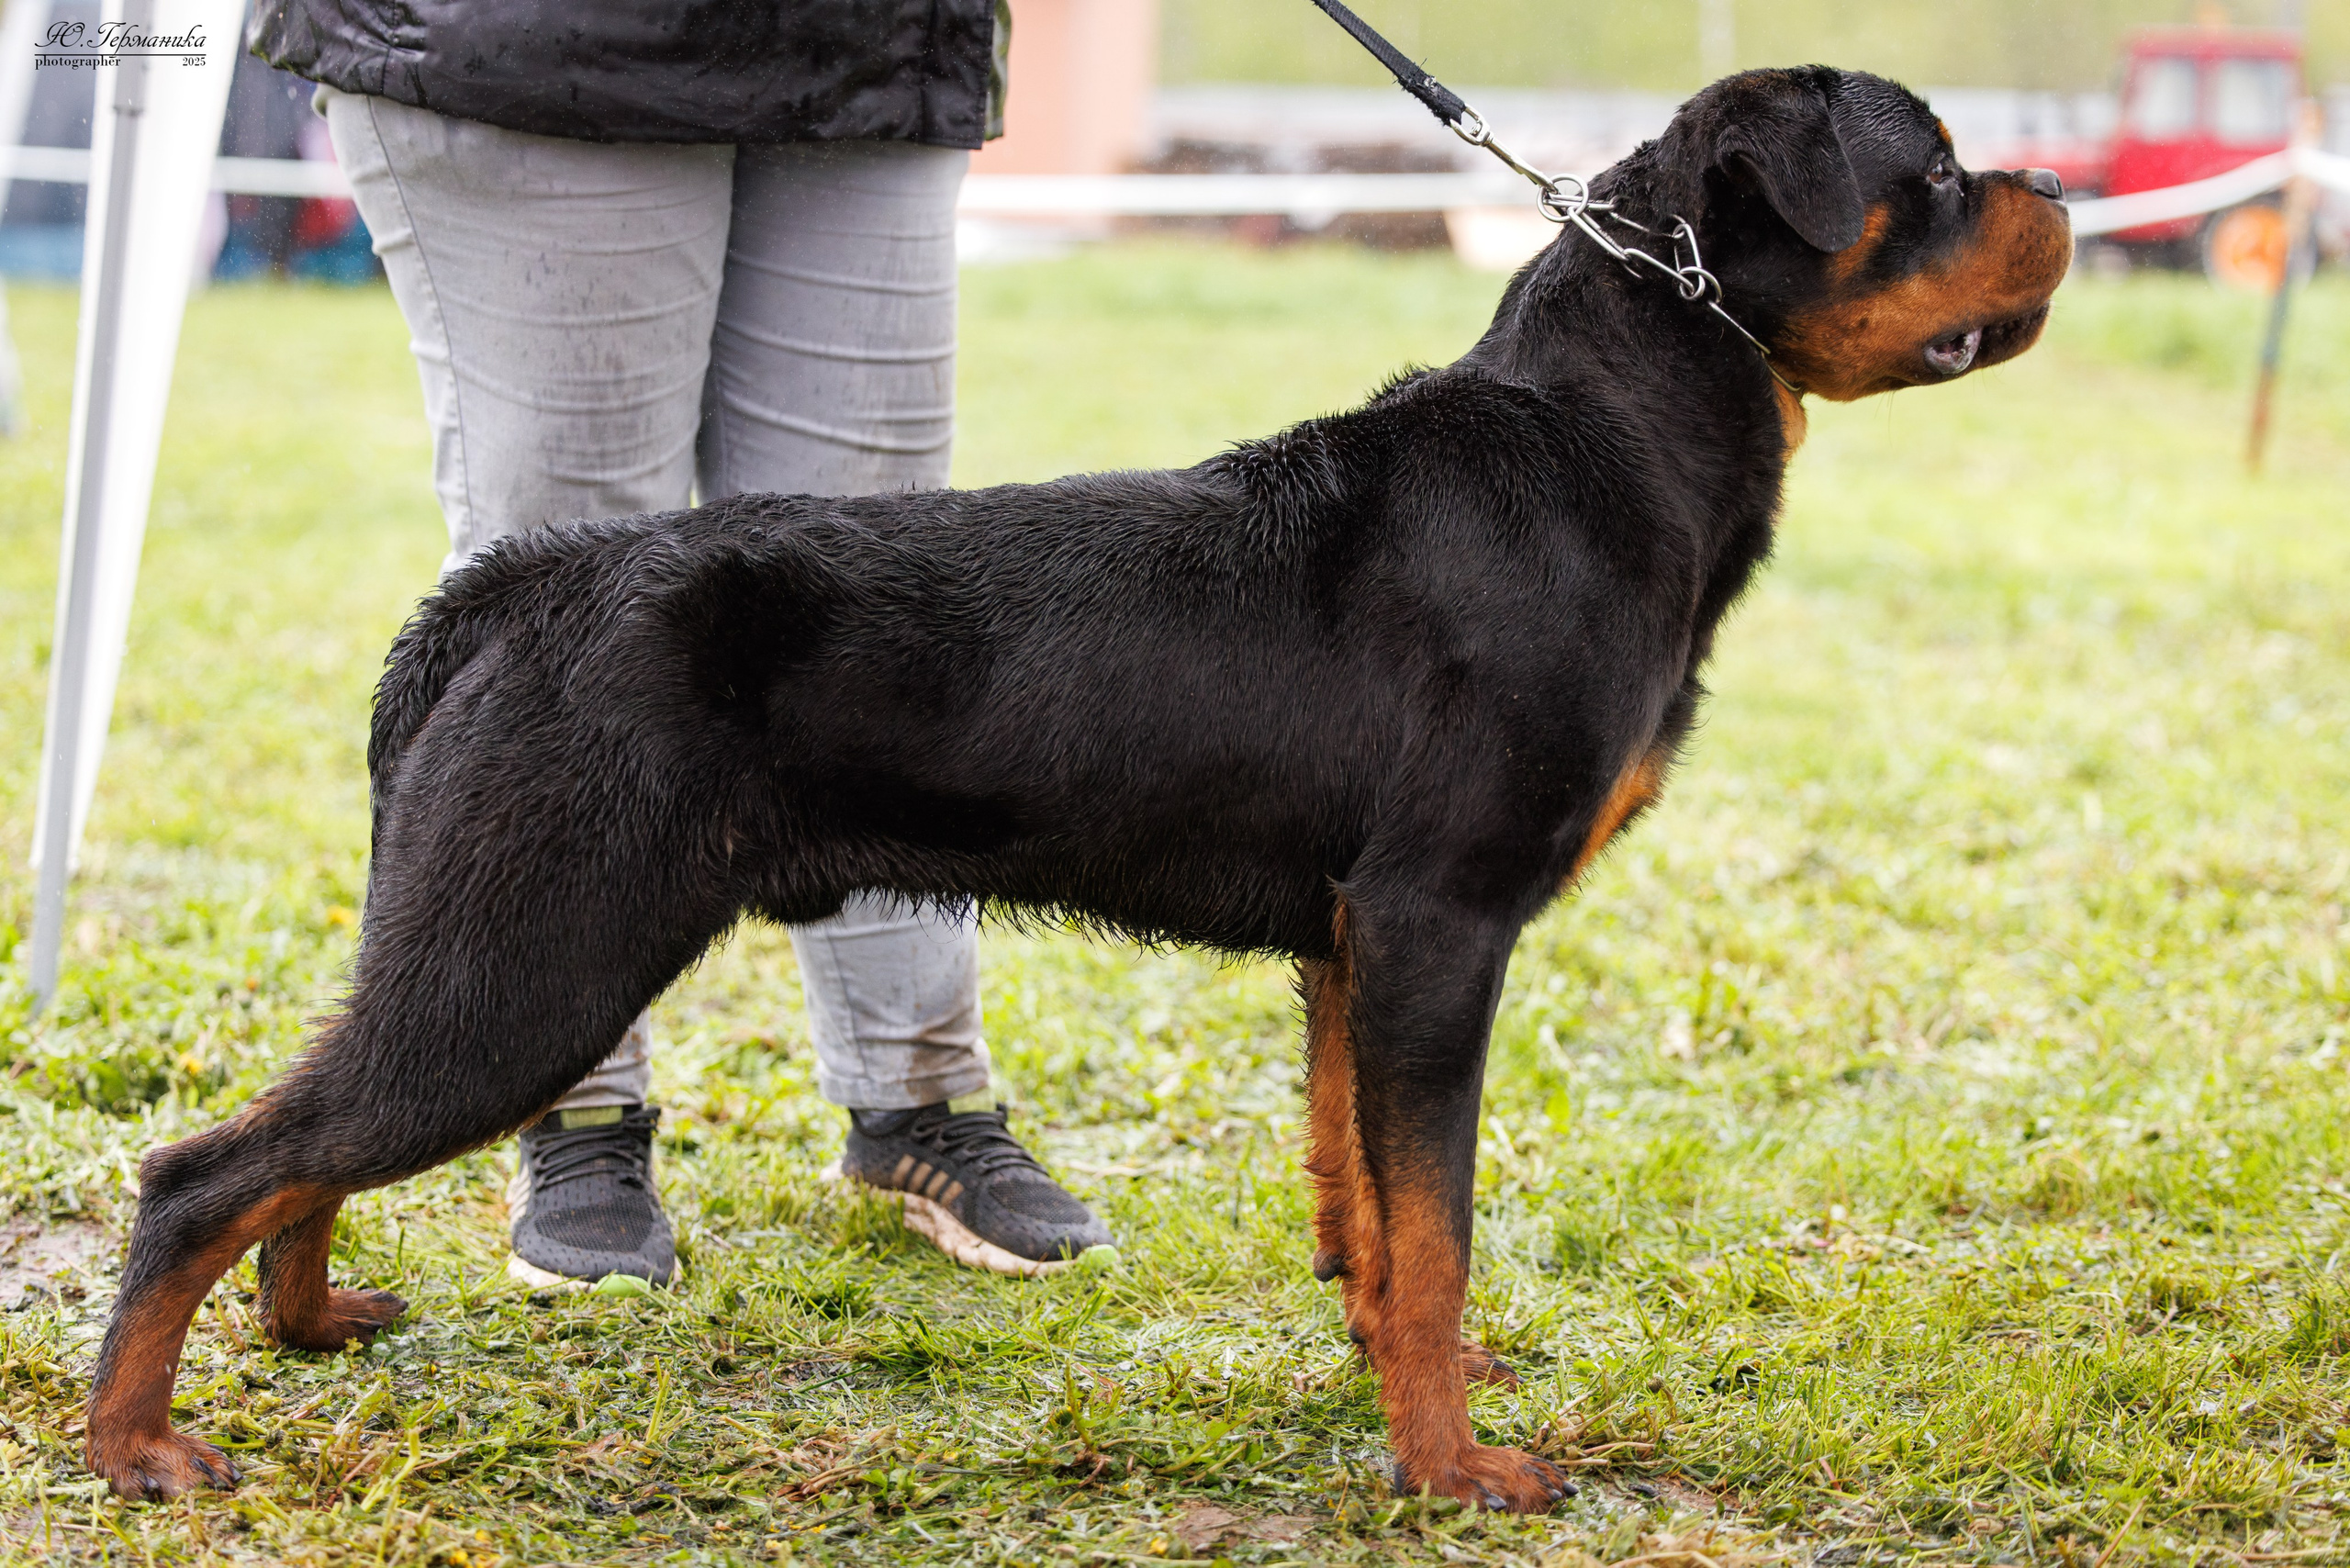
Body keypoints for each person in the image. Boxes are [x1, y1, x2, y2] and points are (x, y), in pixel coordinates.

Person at [248, 0, 1111, 1287]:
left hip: (868, 50)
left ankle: (919, 1095)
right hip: (531, 46)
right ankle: (571, 1101)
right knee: (572, 584)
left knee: (881, 584)